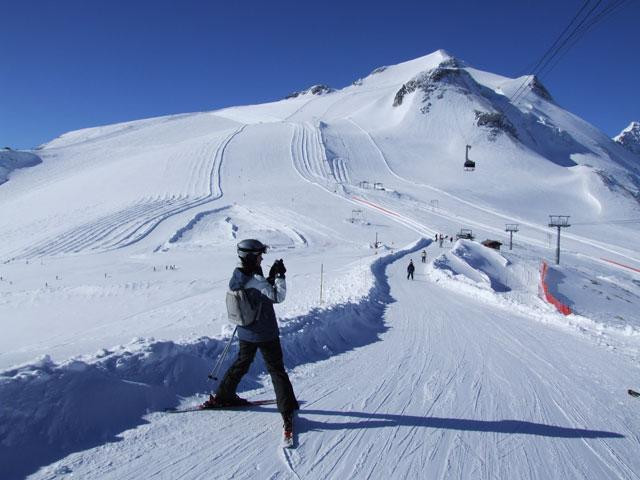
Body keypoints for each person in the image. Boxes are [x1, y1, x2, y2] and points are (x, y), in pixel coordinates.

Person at [203, 239, 299, 435]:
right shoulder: (254, 277)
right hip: (265, 332)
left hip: (246, 330)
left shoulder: (239, 274)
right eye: (259, 255)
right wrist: (279, 277)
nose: (262, 257)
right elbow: (277, 297)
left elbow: (258, 293)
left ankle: (224, 395)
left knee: (243, 361)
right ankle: (287, 410)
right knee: (276, 369)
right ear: (250, 256)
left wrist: (269, 278)